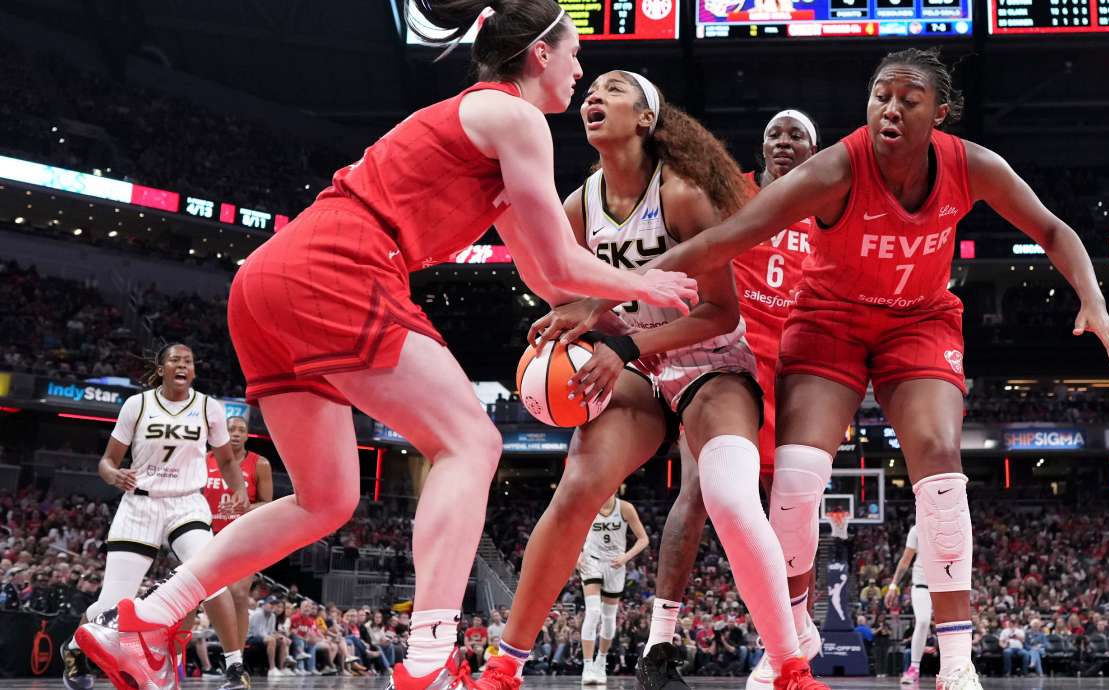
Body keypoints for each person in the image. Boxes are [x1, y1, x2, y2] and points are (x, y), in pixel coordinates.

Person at [75, 2, 698, 689]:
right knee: (471, 443)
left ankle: (146, 619)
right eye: (575, 54)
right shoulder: (514, 116)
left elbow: (545, 276)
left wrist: (613, 317)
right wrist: (647, 282)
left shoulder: (489, 128)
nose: (581, 71)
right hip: (340, 263)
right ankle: (428, 664)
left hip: (269, 277)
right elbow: (561, 258)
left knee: (326, 500)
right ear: (540, 54)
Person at [591, 46, 1109, 690]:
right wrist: (610, 292)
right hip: (831, 320)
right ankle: (791, 635)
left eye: (909, 100)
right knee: (796, 477)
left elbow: (1052, 230)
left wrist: (1093, 299)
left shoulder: (973, 165)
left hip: (919, 321)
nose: (890, 109)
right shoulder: (836, 167)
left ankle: (956, 660)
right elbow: (724, 239)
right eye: (881, 96)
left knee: (941, 462)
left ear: (939, 113)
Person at [477, 71, 828, 690]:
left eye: (614, 88)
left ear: (646, 118)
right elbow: (570, 293)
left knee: (728, 495)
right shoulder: (579, 206)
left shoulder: (684, 196)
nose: (594, 95)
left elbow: (720, 313)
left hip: (709, 359)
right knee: (579, 486)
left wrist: (621, 342)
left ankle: (789, 667)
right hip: (636, 364)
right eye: (592, 89)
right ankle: (505, 666)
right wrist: (568, 323)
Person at [71, 344, 251, 690]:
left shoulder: (208, 407)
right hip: (140, 503)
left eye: (189, 362)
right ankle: (75, 651)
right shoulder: (137, 405)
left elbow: (227, 460)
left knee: (212, 578)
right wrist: (114, 475)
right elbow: (107, 461)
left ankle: (235, 666)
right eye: (175, 360)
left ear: (193, 371)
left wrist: (238, 488)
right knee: (112, 603)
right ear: (161, 368)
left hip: (187, 502)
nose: (183, 365)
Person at [202, 415, 274, 671]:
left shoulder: (260, 464)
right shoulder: (204, 459)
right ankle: (177, 658)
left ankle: (236, 661)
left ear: (246, 435)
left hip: (244, 536)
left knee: (239, 594)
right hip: (207, 535)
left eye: (241, 430)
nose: (235, 433)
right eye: (231, 429)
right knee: (195, 598)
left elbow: (268, 504)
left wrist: (247, 507)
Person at [579, 493, 649, 684]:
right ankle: (587, 666)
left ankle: (601, 662)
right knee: (593, 612)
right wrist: (576, 555)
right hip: (592, 561)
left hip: (615, 564)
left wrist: (626, 557)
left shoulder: (625, 508)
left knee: (609, 617)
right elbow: (570, 532)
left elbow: (643, 539)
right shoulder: (588, 505)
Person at [884, 522, 930, 684]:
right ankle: (914, 668)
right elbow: (905, 561)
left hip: (944, 585)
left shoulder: (950, 526)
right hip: (921, 584)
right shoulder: (917, 530)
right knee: (923, 621)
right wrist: (893, 586)